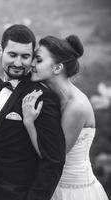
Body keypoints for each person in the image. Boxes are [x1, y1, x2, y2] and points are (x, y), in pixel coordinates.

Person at [0, 24, 66, 200]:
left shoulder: (41, 97)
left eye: (25, 56)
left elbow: (54, 161)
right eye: (12, 55)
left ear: (32, 57)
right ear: (0, 51)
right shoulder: (0, 90)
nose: (18, 63)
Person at [22, 34, 109, 200]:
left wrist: (29, 123)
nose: (31, 64)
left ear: (57, 68)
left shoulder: (76, 107)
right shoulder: (53, 97)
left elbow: (52, 157)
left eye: (38, 60)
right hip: (53, 187)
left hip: (74, 192)